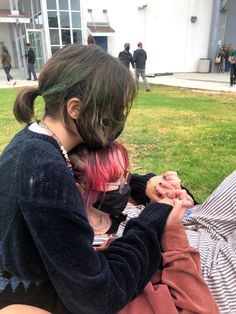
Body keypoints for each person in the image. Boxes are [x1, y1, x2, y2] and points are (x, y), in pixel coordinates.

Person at [1, 43, 177, 314]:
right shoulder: (44, 172)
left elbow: (79, 171)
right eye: (112, 110)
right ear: (75, 108)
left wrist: (143, 185)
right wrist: (153, 220)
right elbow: (98, 295)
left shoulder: (36, 144)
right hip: (25, 296)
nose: (116, 120)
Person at [70, 142, 236, 313]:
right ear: (78, 187)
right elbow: (191, 302)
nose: (123, 185)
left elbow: (130, 181)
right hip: (205, 271)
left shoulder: (113, 204)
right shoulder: (93, 252)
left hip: (198, 222)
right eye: (113, 180)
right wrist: (169, 226)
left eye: (125, 175)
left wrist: (160, 187)